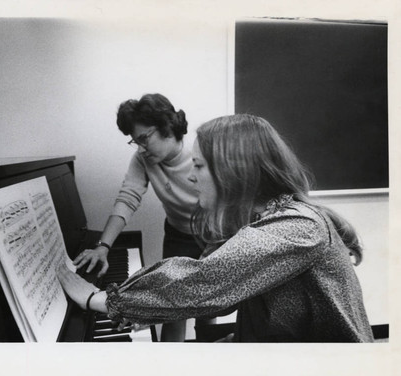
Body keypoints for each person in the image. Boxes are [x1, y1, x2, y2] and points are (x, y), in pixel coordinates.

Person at [60, 114, 374, 342]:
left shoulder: (295, 228)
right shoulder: (265, 218)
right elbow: (229, 293)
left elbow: (203, 280)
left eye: (198, 165)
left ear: (232, 171)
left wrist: (100, 300)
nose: (192, 177)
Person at [74, 93, 206, 342]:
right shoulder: (143, 159)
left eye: (145, 138)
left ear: (167, 126)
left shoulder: (200, 151)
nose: (141, 148)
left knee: (209, 303)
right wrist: (103, 247)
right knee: (173, 309)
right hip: (179, 235)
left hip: (215, 234)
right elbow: (127, 198)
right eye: (135, 142)